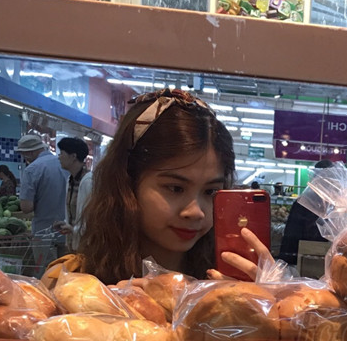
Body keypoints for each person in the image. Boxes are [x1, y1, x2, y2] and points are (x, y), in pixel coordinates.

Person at [47, 89, 238, 284]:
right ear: (128, 182)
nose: (196, 212)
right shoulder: (70, 280)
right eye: (175, 188)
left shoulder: (229, 282)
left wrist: (252, 295)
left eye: (210, 191)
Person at [278, 158, 337, 266]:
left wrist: (286, 260)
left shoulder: (303, 201)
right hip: (320, 257)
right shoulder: (336, 203)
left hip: (305, 257)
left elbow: (291, 235)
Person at [16, 133, 67, 237]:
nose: (24, 158)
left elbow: (26, 207)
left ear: (30, 152)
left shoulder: (31, 170)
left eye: (23, 154)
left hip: (44, 232)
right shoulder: (64, 164)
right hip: (66, 230)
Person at [54, 137, 92, 252]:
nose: (59, 157)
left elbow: (92, 217)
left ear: (73, 156)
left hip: (87, 246)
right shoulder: (70, 180)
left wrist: (73, 229)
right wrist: (66, 224)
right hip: (74, 245)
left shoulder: (89, 181)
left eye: (62, 153)